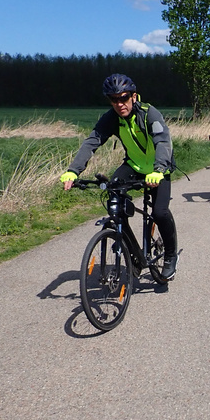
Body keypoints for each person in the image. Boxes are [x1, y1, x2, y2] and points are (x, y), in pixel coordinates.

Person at [60, 73, 178, 280]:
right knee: (113, 194)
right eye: (114, 99)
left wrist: (159, 170)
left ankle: (170, 256)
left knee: (159, 213)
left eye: (124, 98)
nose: (119, 104)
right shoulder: (111, 118)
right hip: (133, 166)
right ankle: (129, 248)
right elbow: (92, 141)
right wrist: (73, 170)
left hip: (159, 170)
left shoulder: (149, 113)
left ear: (133, 96)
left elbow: (162, 142)